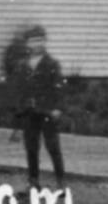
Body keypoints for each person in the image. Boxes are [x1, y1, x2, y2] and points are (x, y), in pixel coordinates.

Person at [6, 24, 67, 193]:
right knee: (31, 148)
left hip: (47, 112)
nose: (36, 45)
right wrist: (18, 112)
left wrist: (57, 108)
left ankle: (61, 183)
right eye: (32, 41)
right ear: (27, 44)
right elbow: (19, 90)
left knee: (53, 147)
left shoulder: (51, 64)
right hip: (29, 112)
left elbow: (59, 89)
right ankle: (33, 182)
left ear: (45, 42)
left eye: (40, 40)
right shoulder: (23, 66)